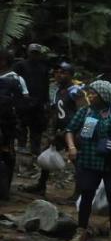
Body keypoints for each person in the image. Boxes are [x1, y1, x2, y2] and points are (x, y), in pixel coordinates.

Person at [65, 80, 111, 241]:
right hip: (88, 161)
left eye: (93, 93)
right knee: (87, 193)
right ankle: (81, 231)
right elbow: (70, 130)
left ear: (104, 96)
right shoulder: (85, 112)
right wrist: (72, 147)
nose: (90, 96)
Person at [24, 62, 86, 196]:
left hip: (74, 132)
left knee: (77, 161)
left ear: (70, 75)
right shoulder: (57, 90)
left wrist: (77, 132)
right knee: (46, 154)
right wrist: (51, 132)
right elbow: (54, 113)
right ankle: (41, 185)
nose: (59, 75)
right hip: (60, 131)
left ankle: (79, 193)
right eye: (57, 72)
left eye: (63, 72)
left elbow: (83, 112)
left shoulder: (76, 91)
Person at [14, 44, 50, 158]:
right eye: (32, 52)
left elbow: (46, 85)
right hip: (23, 102)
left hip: (38, 103)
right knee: (22, 128)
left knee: (37, 129)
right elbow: (14, 81)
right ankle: (22, 149)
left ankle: (35, 151)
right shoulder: (20, 65)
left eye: (36, 53)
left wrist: (46, 101)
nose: (34, 55)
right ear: (28, 53)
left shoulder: (43, 67)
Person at [0, 49, 25, 199]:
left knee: (7, 157)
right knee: (7, 156)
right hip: (9, 127)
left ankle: (4, 191)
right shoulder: (14, 80)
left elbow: (20, 104)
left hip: (7, 126)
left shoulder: (12, 79)